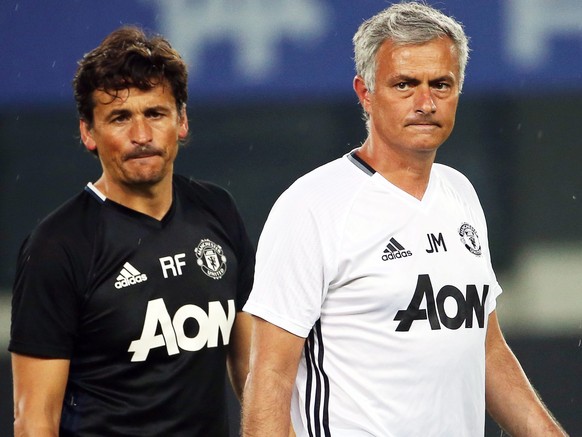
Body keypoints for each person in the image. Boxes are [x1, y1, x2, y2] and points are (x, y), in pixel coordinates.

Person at [241, 2, 567, 436]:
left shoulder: (461, 195)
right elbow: (270, 376)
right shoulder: (312, 205)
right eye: (405, 84)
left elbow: (485, 351)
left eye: (442, 84)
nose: (426, 102)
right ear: (365, 92)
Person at [9, 26, 254, 436]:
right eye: (120, 118)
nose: (141, 136)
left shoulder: (217, 209)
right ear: (88, 132)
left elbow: (253, 371)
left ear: (182, 120)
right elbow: (34, 417)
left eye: (155, 113)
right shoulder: (57, 246)